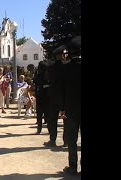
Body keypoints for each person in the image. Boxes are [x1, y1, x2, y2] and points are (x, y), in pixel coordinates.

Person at [58, 38, 81, 175]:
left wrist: (62, 108)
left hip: (71, 108)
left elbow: (62, 90)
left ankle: (72, 167)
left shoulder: (66, 68)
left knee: (72, 139)